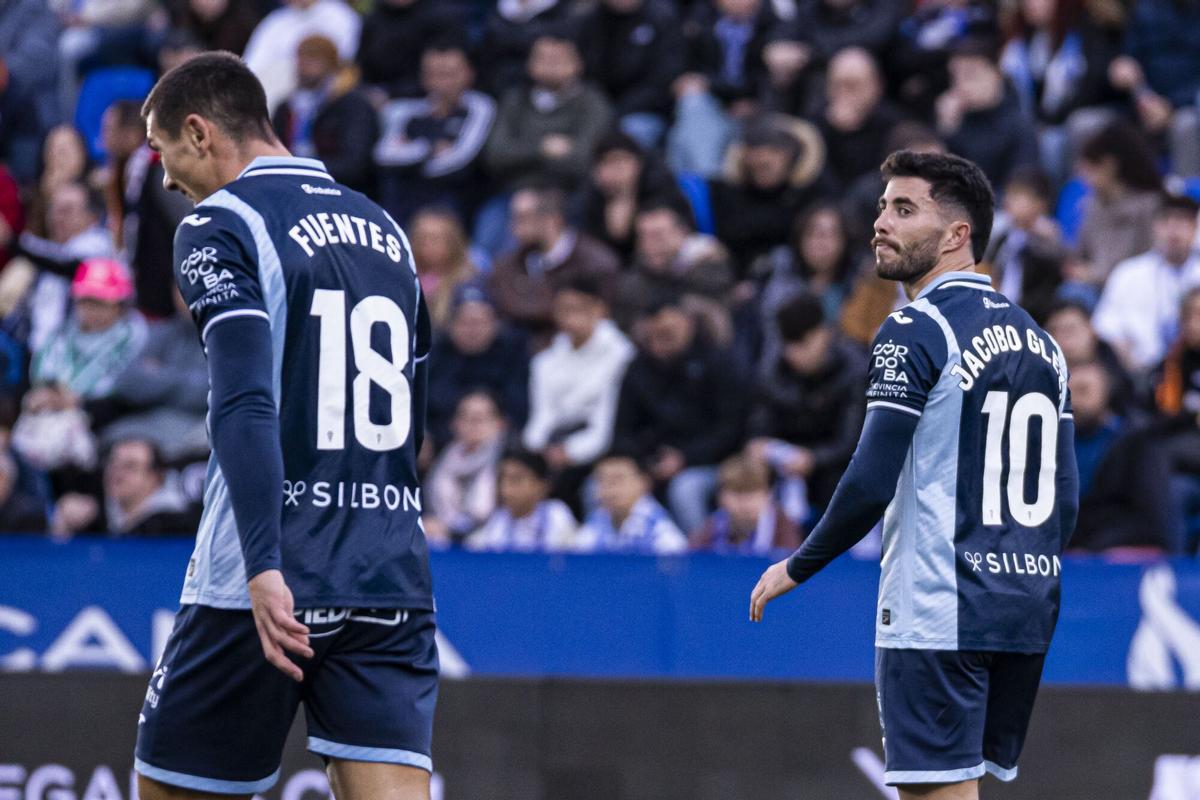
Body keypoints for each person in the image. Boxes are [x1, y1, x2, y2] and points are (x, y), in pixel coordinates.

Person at [136, 53, 438, 798]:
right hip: (386, 572)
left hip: (263, 577)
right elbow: (414, 415)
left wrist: (266, 565)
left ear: (200, 132)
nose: (165, 179)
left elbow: (243, 403)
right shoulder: (386, 229)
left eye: (162, 150)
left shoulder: (220, 223)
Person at [750, 151, 1078, 799]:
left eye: (904, 209)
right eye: (882, 208)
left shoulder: (913, 328)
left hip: (938, 605)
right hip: (1023, 604)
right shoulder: (1043, 342)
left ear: (957, 234)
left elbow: (871, 478)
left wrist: (798, 565)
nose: (881, 223)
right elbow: (1063, 499)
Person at [613, 294, 747, 534]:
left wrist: (685, 457)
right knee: (603, 486)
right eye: (652, 337)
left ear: (687, 324)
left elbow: (730, 429)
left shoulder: (719, 361)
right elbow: (623, 430)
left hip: (710, 463)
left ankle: (698, 553)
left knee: (685, 489)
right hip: (651, 463)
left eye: (667, 334)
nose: (658, 344)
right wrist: (643, 465)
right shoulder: (637, 369)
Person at [747, 292, 867, 523]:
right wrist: (758, 445)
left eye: (802, 344)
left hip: (833, 468)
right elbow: (760, 424)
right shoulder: (773, 371)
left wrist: (813, 459)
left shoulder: (853, 371)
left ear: (823, 334)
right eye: (788, 345)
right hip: (783, 465)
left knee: (841, 484)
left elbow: (852, 441)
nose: (794, 354)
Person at [522, 277, 635, 513]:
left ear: (599, 309)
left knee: (581, 485)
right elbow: (542, 415)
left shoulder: (621, 355)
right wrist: (537, 448)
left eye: (579, 309)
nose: (571, 317)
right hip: (553, 445)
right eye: (564, 309)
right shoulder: (545, 360)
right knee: (520, 473)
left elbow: (605, 423)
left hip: (602, 446)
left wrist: (570, 452)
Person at [373, 39, 496, 225]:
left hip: (457, 198)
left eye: (448, 74)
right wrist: (430, 148)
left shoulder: (479, 106)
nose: (440, 83)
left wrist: (410, 153)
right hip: (407, 196)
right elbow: (383, 155)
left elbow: (459, 161)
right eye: (432, 74)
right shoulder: (406, 110)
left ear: (469, 73)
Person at [489, 186, 621, 343]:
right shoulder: (509, 263)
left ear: (553, 219)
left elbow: (599, 317)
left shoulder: (595, 262)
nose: (514, 226)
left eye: (524, 217)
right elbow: (505, 308)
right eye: (514, 217)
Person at [1092, 193, 1200, 374]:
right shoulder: (1128, 273)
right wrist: (1127, 360)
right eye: (1166, 220)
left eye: (1182, 221)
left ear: (1195, 227)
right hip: (1139, 372)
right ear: (1154, 226)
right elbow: (1105, 326)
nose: (1173, 230)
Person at [426, 284, 529, 452]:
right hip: (440, 445)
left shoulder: (512, 354)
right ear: (450, 325)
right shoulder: (435, 355)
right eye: (465, 322)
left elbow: (518, 412)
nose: (473, 330)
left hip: (499, 445)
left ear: (496, 323)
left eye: (481, 322)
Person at [271, 35, 378, 195]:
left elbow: (354, 164)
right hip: (293, 187)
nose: (304, 65)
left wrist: (303, 169)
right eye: (301, 58)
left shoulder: (353, 105)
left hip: (341, 190)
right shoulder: (286, 107)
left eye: (313, 59)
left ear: (330, 64)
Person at [51, 437, 199, 538]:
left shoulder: (180, 524)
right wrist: (64, 523)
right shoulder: (93, 505)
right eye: (113, 463)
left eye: (130, 466)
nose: (117, 472)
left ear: (155, 477)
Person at [423, 391, 507, 547]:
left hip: (494, 539)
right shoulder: (442, 458)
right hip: (442, 536)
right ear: (454, 423)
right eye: (465, 417)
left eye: (480, 418)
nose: (472, 424)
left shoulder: (508, 459)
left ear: (499, 423)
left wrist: (452, 532)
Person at [574, 449, 687, 554]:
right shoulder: (597, 520)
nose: (609, 489)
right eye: (602, 480)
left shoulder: (660, 530)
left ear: (644, 482)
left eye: (617, 479)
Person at [466, 447, 578, 552]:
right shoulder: (496, 521)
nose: (505, 489)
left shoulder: (556, 514)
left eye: (516, 480)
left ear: (542, 485)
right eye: (502, 480)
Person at [689, 453, 803, 555]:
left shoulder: (783, 525)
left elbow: (789, 562)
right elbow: (692, 557)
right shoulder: (713, 525)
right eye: (736, 493)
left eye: (752, 493)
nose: (745, 502)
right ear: (721, 497)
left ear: (768, 495)